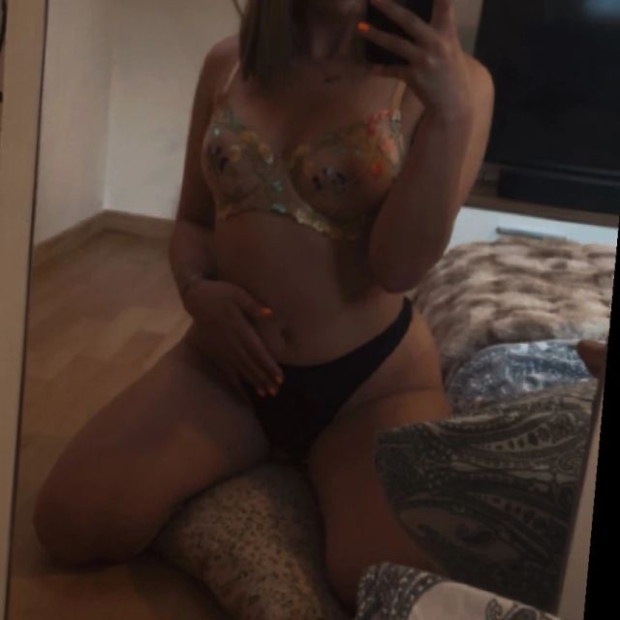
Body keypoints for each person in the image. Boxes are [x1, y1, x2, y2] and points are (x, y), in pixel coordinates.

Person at [34, 0, 494, 610]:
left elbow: (398, 268)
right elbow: (193, 223)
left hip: (370, 388)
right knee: (69, 521)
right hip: (226, 370)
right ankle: (270, 462)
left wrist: (448, 114)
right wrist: (196, 291)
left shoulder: (456, 85)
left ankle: (304, 468)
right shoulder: (228, 64)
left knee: (389, 584)